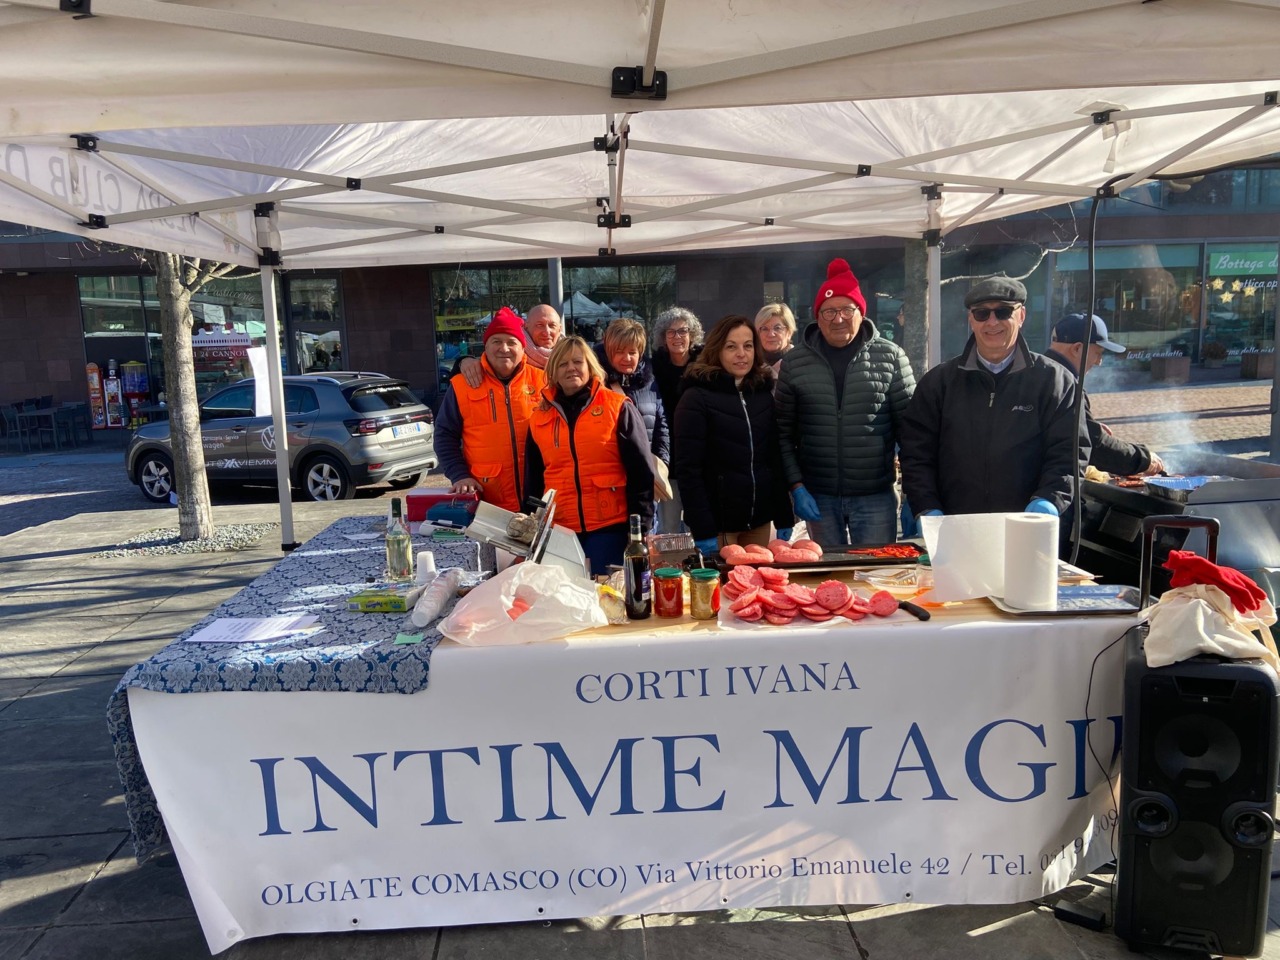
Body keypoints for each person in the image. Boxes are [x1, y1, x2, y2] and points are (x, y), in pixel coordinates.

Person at [898, 276, 1088, 521]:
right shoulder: (939, 382)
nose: (992, 322)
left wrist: (1050, 499)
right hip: (955, 526)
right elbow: (916, 452)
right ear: (971, 320)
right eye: (981, 314)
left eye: (1003, 312)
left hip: (1028, 527)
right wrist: (926, 505)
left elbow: (1070, 452)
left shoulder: (1055, 381)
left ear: (1021, 316)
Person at [775, 258, 916, 546]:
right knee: (826, 580)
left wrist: (913, 492)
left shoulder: (891, 356)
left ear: (861, 312)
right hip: (818, 495)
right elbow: (782, 433)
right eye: (828, 312)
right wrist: (796, 486)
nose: (837, 319)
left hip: (875, 495)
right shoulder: (794, 362)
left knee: (875, 578)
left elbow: (912, 431)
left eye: (846, 309)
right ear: (817, 316)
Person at [524, 336, 655, 575]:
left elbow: (641, 474)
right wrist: (531, 527)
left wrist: (640, 528)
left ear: (590, 366)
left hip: (609, 529)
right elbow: (533, 480)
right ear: (553, 371)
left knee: (608, 600)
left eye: (577, 361)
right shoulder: (538, 418)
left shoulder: (618, 407)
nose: (571, 368)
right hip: (560, 532)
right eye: (563, 364)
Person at [673, 315, 794, 554]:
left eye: (748, 346)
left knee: (758, 587)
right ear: (717, 350)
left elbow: (773, 459)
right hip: (719, 525)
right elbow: (688, 470)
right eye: (732, 347)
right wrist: (703, 528)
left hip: (759, 520)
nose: (741, 354)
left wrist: (783, 514)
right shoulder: (696, 397)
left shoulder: (761, 394)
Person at [434, 308, 545, 513]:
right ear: (486, 346)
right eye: (497, 341)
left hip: (540, 499)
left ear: (523, 348)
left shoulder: (544, 382)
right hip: (488, 503)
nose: (504, 348)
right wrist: (459, 475)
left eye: (512, 342)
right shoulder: (462, 385)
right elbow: (444, 435)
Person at [1045, 312, 1164, 476]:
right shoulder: (1065, 383)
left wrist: (1083, 424)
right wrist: (1143, 459)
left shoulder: (1034, 370)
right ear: (1077, 348)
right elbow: (1094, 445)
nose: (1099, 361)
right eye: (1098, 353)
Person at [594, 317, 670, 515]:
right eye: (619, 352)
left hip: (645, 481)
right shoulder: (596, 384)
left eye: (632, 352)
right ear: (608, 352)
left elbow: (661, 424)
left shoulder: (649, 382)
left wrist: (661, 462)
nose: (627, 358)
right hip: (610, 484)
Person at [650, 307, 704, 533]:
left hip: (699, 456)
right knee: (669, 527)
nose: (677, 337)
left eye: (682, 331)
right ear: (663, 337)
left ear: (692, 335)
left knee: (699, 525)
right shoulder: (654, 367)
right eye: (670, 332)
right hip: (668, 455)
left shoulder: (705, 365)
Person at [454, 305, 563, 387]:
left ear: (560, 329)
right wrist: (463, 362)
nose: (547, 332)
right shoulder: (514, 359)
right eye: (540, 325)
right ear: (526, 326)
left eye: (552, 325)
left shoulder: (571, 357)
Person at [754, 303, 797, 377]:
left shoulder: (801, 362)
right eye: (764, 329)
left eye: (777, 328)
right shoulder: (750, 365)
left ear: (789, 332)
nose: (771, 334)